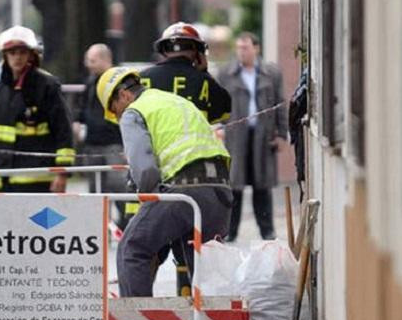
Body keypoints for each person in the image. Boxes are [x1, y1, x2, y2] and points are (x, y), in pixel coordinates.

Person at [96, 67, 233, 297]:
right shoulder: (175, 102)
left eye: (115, 110)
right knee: (201, 267)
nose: (118, 117)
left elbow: (146, 172)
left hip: (185, 189)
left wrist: (146, 203)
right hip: (220, 192)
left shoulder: (134, 112)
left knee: (132, 249)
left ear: (124, 96)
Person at [0, 25, 75, 192]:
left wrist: (62, 174)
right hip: (0, 182)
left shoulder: (47, 87)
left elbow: (63, 131)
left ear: (31, 55)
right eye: (12, 53)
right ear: (5, 56)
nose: (17, 58)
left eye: (22, 52)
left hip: (38, 181)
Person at [217, 32, 287, 241]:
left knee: (262, 186)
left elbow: (280, 104)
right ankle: (231, 231)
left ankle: (267, 230)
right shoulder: (226, 73)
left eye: (245, 47)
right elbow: (216, 104)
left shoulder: (271, 73)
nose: (241, 52)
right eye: (238, 47)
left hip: (262, 136)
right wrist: (218, 127)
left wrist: (282, 134)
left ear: (256, 49)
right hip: (235, 136)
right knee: (233, 186)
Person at [74, 44, 129, 229]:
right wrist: (78, 120)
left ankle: (126, 223)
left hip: (113, 143)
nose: (88, 64)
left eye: (92, 60)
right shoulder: (91, 81)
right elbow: (82, 107)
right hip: (93, 144)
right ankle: (97, 227)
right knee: (95, 188)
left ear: (106, 60)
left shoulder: (118, 83)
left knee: (119, 185)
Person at [140, 22, 232, 125]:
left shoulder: (142, 78)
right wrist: (205, 73)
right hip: (192, 141)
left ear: (163, 50)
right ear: (197, 52)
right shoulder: (204, 81)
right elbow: (224, 112)